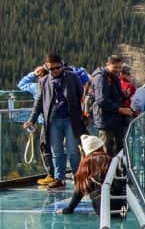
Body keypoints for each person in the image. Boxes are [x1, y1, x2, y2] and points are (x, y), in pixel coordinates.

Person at [25, 54, 86, 190]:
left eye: (57, 68)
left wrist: (83, 115)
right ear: (47, 67)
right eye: (51, 69)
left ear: (62, 65)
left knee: (73, 151)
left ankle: (78, 178)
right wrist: (31, 120)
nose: (55, 71)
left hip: (71, 119)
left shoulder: (72, 77)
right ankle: (59, 179)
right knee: (56, 151)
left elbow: (81, 95)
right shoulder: (43, 81)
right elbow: (39, 102)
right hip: (53, 121)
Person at [60, 135, 120, 214]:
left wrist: (69, 208)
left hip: (101, 208)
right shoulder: (110, 160)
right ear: (101, 147)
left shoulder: (85, 164)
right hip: (120, 206)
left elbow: (79, 190)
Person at [19, 65, 56, 185]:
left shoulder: (36, 86)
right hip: (59, 119)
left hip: (45, 122)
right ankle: (59, 174)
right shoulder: (56, 83)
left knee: (45, 147)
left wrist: (33, 74)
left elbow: (21, 84)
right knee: (58, 148)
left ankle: (52, 174)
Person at [91, 56, 134, 156]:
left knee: (118, 152)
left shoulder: (113, 77)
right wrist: (120, 109)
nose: (118, 70)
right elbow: (101, 100)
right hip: (106, 122)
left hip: (116, 120)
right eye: (115, 67)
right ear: (107, 65)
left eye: (119, 67)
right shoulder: (101, 78)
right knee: (107, 153)